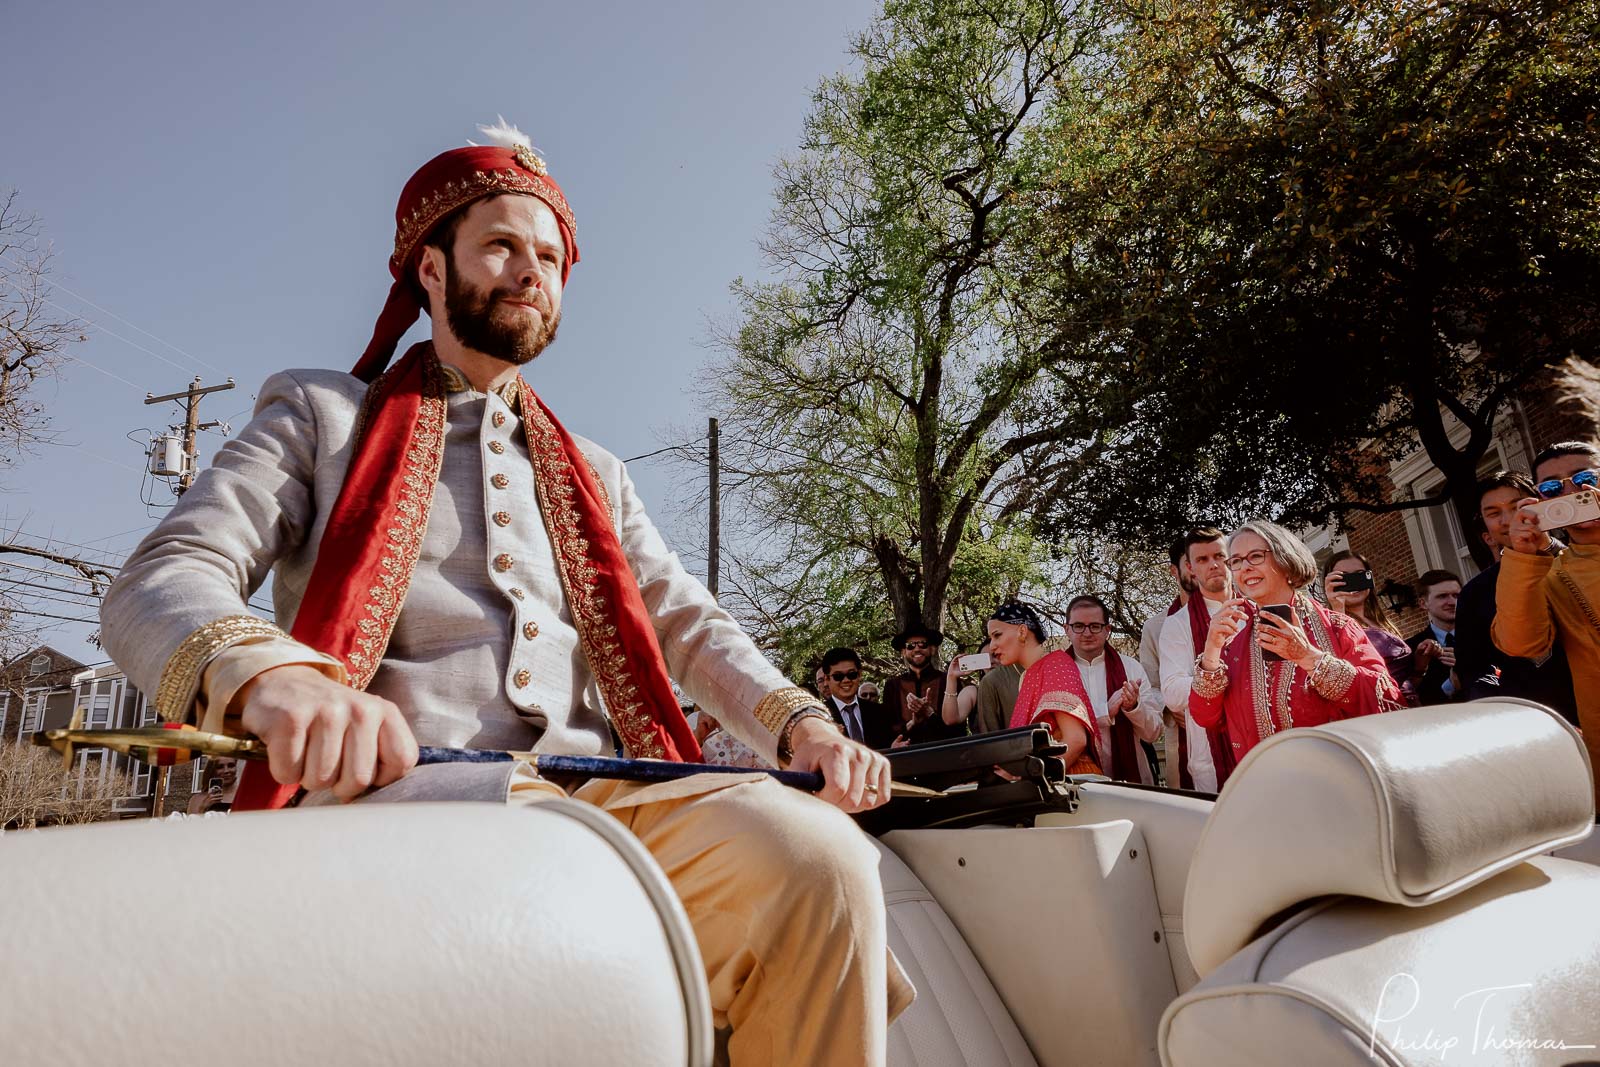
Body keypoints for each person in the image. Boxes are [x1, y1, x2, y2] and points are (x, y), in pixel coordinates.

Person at [99, 121, 910, 1064]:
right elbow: (162, 577)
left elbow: (690, 622)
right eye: (502, 246)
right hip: (403, 804)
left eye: (552, 257)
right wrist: (277, 678)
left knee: (824, 863)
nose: (533, 271)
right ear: (431, 270)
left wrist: (803, 726)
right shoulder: (321, 415)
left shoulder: (597, 472)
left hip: (611, 793)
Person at [1190, 520, 1401, 772]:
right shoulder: (1233, 638)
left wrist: (1309, 658)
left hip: (1337, 785)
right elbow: (1206, 717)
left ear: (1286, 561)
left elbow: (1388, 702)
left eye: (1256, 556)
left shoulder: (1338, 627)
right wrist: (1212, 650)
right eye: (1235, 561)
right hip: (1264, 788)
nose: (1245, 567)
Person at [1493, 441, 1600, 807]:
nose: (1571, 491)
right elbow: (1520, 643)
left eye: (1585, 478)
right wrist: (1523, 555)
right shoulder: (1548, 574)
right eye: (1552, 488)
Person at [1454, 471, 1578, 721]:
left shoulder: (1580, 561)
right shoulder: (1475, 593)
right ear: (1485, 525)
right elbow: (1479, 670)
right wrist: (1503, 705)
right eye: (1493, 513)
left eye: (1516, 506)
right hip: (1537, 722)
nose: (1509, 519)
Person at [987, 601, 1101, 774]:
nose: (992, 646)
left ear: (1022, 631)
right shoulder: (1029, 676)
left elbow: (1076, 740)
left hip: (1071, 783)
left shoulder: (1055, 664)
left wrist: (1032, 777)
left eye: (997, 635)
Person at [1158, 528, 1232, 791]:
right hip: (1211, 757)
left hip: (1265, 746)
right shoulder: (1177, 624)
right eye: (1202, 560)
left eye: (1219, 556)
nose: (1213, 565)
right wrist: (1221, 680)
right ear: (1189, 567)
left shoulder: (1257, 609)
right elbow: (1173, 693)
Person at [1060, 595, 1164, 783]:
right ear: (1066, 629)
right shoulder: (1056, 673)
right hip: (1077, 782)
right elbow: (1055, 730)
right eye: (1078, 626)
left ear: (1107, 629)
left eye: (1095, 626)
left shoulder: (1130, 668)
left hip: (1131, 782)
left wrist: (1134, 708)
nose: (1087, 633)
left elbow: (1153, 733)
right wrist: (1105, 711)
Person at [1322, 550, 1418, 706]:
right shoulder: (1327, 624)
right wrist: (1337, 608)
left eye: (1359, 575)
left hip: (1407, 706)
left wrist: (1420, 663)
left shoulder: (1382, 623)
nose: (1353, 582)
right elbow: (1340, 670)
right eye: (1343, 577)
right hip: (1375, 711)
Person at [1140, 535, 1189, 787]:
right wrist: (1171, 708)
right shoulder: (1155, 627)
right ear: (1174, 570)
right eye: (1191, 561)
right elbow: (1151, 686)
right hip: (1181, 733)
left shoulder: (1232, 614)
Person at [885, 624, 965, 745]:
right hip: (907, 757)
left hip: (945, 754)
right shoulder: (892, 686)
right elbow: (887, 731)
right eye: (910, 646)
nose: (917, 649)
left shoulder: (948, 681)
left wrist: (929, 713)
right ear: (903, 652)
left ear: (932, 649)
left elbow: (959, 729)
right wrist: (912, 723)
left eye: (923, 644)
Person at [821, 647, 898, 749]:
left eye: (851, 674)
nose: (846, 680)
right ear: (826, 679)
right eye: (838, 676)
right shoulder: (819, 716)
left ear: (860, 674)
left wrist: (893, 748)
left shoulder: (878, 711)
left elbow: (889, 745)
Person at [1409, 569, 1462, 706]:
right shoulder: (1411, 648)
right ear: (1423, 603)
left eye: (1456, 595)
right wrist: (1450, 686)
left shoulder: (1485, 637)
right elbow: (1412, 699)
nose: (1452, 602)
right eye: (1442, 596)